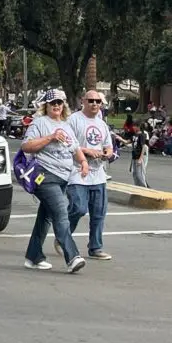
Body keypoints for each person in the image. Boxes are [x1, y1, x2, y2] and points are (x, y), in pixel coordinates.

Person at [21, 89, 91, 274]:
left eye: (60, 103)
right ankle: (72, 256)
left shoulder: (66, 126)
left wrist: (83, 161)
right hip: (44, 176)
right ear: (46, 105)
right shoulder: (40, 123)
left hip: (62, 178)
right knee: (61, 213)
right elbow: (26, 146)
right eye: (53, 103)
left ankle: (33, 256)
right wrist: (50, 137)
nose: (57, 106)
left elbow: (75, 148)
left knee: (45, 216)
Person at [62, 90, 112, 262]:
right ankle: (64, 236)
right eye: (90, 100)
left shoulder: (102, 124)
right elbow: (67, 144)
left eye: (98, 101)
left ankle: (95, 247)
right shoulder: (73, 120)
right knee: (78, 208)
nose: (94, 104)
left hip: (98, 175)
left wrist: (106, 153)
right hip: (77, 172)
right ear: (83, 100)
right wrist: (87, 151)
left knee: (99, 213)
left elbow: (109, 146)